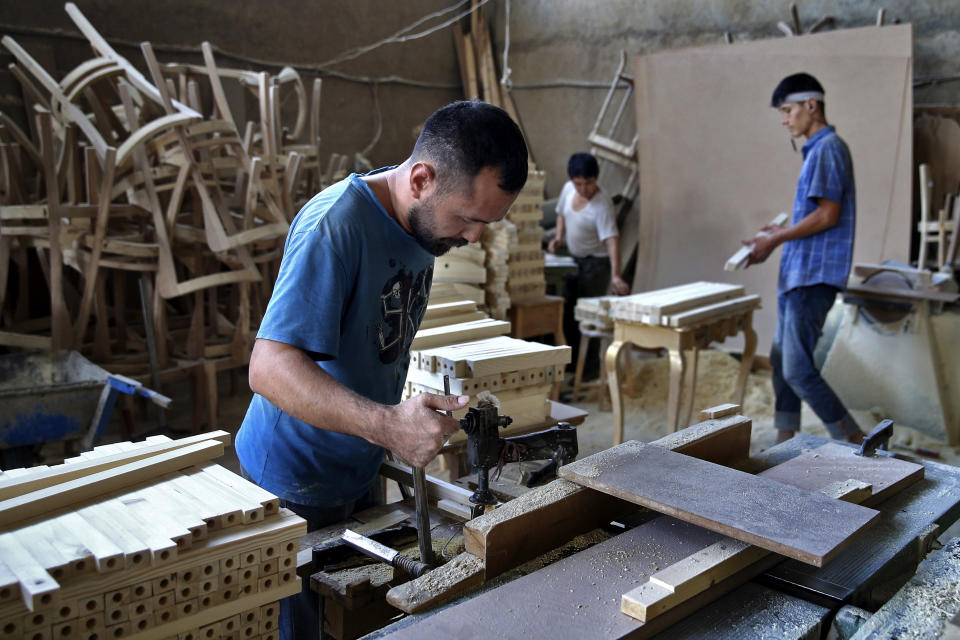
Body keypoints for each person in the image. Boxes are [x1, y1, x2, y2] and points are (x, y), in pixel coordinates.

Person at [235, 100, 528, 639]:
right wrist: (390, 425)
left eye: (486, 224)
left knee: (360, 616)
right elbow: (269, 367)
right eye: (467, 218)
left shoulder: (420, 225)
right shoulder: (335, 227)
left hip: (358, 463)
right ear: (421, 178)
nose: (472, 238)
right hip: (292, 475)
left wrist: (395, 420)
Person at [744, 72, 865, 446]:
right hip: (800, 274)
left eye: (788, 110)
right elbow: (817, 215)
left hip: (812, 279)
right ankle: (785, 439)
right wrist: (777, 231)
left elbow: (829, 215)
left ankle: (858, 443)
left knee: (797, 368)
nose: (784, 119)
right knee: (782, 360)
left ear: (811, 106)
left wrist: (777, 238)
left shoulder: (828, 148)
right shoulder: (819, 149)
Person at [547, 152, 629, 379]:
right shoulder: (567, 189)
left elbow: (612, 240)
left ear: (597, 178)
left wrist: (616, 275)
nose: (584, 189)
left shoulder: (602, 205)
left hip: (596, 264)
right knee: (570, 314)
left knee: (590, 319)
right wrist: (559, 237)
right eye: (579, 183)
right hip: (574, 260)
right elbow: (562, 213)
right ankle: (572, 367)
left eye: (589, 183)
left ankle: (590, 371)